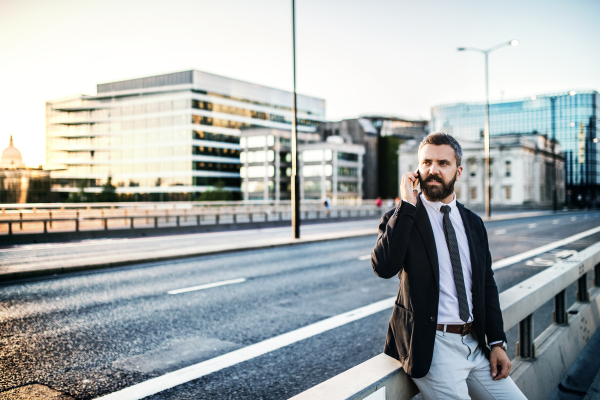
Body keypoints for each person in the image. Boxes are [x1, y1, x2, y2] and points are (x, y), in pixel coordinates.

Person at [371, 132, 526, 400]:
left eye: (443, 163)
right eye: (426, 163)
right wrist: (407, 204)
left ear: (458, 171)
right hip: (433, 347)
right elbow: (383, 267)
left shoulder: (473, 223)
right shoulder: (403, 218)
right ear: (417, 170)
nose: (433, 170)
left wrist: (497, 342)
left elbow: (486, 284)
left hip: (475, 344)